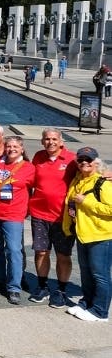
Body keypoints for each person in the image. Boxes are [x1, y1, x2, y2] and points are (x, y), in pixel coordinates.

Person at [0, 135, 35, 305]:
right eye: (9, 146)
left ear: (22, 149)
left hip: (14, 215)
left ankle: (14, 288)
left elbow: (37, 189)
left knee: (14, 250)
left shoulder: (28, 168)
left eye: (15, 147)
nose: (11, 149)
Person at [28, 129, 76, 307]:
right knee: (41, 252)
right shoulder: (39, 157)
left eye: (54, 139)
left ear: (61, 141)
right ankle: (42, 286)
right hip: (40, 215)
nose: (51, 142)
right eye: (47, 139)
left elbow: (89, 173)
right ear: (42, 141)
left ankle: (61, 290)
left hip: (63, 218)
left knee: (63, 255)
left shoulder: (71, 159)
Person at [63, 149, 112, 322]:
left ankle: (100, 311)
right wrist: (68, 226)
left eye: (88, 159)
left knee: (100, 275)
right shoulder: (78, 180)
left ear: (96, 162)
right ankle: (87, 302)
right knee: (86, 272)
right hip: (82, 233)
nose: (84, 162)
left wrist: (87, 202)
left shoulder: (103, 182)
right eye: (81, 159)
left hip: (100, 235)